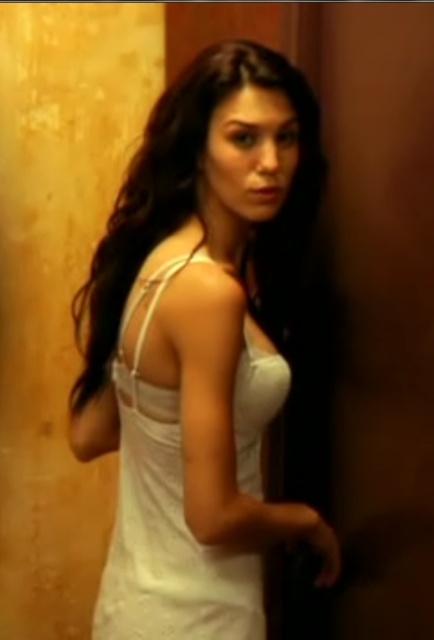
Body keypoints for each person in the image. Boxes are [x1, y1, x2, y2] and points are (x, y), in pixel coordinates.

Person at [69, 39, 340, 640]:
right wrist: (306, 522)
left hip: (133, 601)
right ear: (197, 150)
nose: (270, 162)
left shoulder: (158, 259)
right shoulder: (209, 292)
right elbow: (213, 517)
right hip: (197, 615)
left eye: (287, 138)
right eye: (243, 139)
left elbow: (90, 432)